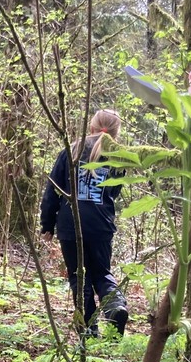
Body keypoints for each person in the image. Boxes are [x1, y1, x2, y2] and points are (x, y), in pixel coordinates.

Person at [39, 109, 129, 338]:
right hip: (101, 225)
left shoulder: (72, 150)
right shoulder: (119, 156)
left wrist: (47, 224)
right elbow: (113, 193)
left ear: (91, 126)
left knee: (79, 277)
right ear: (116, 132)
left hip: (70, 226)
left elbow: (53, 190)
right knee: (102, 272)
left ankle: (89, 331)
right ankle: (115, 306)